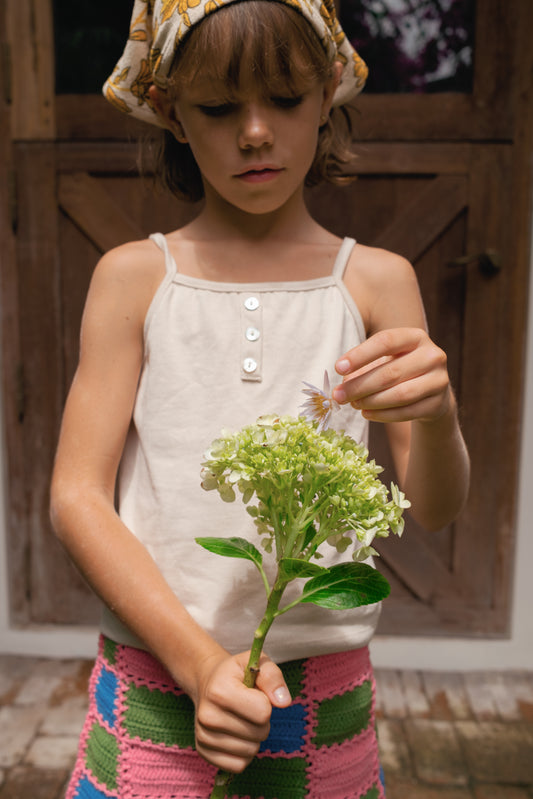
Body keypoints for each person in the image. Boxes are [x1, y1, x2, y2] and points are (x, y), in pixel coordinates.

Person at [50, 1, 470, 797]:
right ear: (173, 113)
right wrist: (199, 664)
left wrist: (437, 413)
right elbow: (77, 495)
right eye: (218, 106)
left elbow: (436, 505)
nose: (253, 132)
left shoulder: (376, 282)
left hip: (324, 694)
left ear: (327, 97)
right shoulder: (134, 279)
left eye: (283, 100)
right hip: (157, 681)